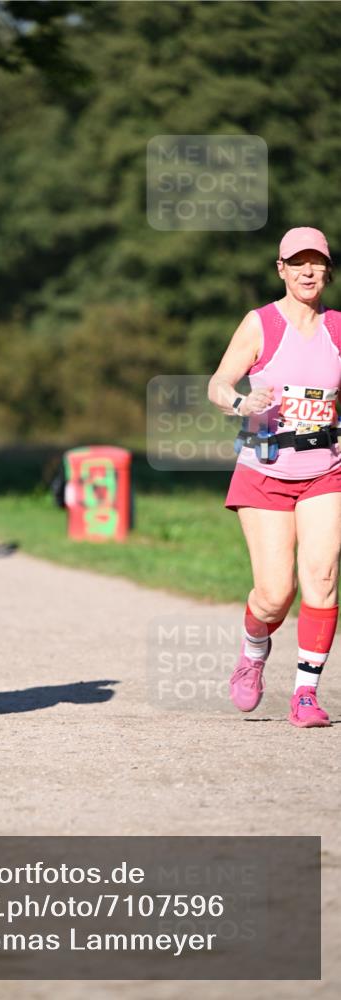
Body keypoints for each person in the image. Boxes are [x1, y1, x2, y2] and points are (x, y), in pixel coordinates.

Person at [208, 227, 341, 728]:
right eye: (297, 262)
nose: (308, 271)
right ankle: (254, 648)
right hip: (265, 470)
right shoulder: (260, 323)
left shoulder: (338, 328)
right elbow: (218, 385)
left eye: (317, 263)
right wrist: (242, 401)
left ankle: (306, 695)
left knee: (323, 579)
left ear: (327, 270)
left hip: (325, 470)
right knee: (273, 593)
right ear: (281, 269)